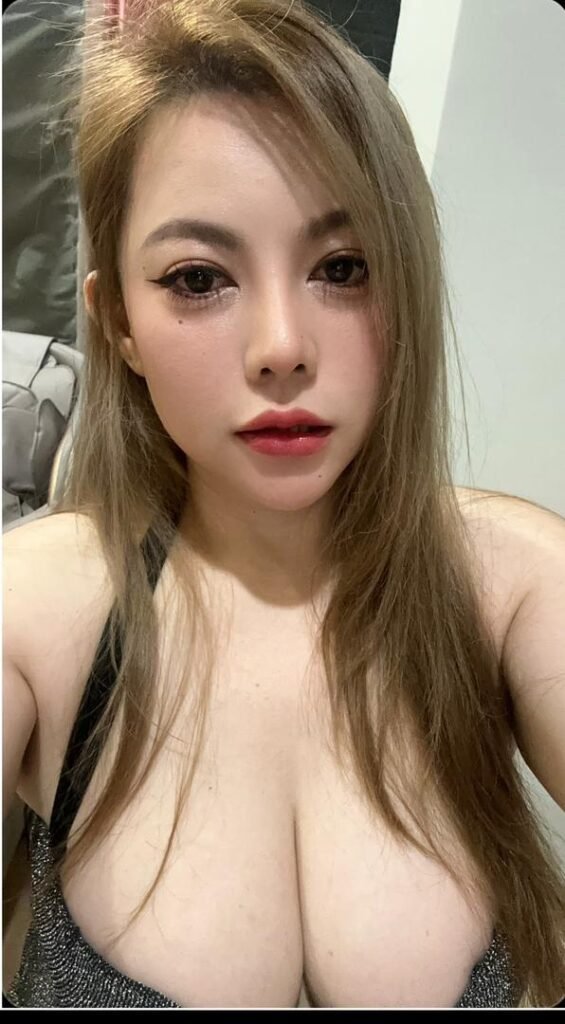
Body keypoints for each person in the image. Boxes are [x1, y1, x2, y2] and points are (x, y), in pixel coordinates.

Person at [2, 0, 564, 1009]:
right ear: (117, 322)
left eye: (342, 268)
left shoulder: (516, 584)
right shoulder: (35, 612)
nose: (281, 347)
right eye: (198, 278)